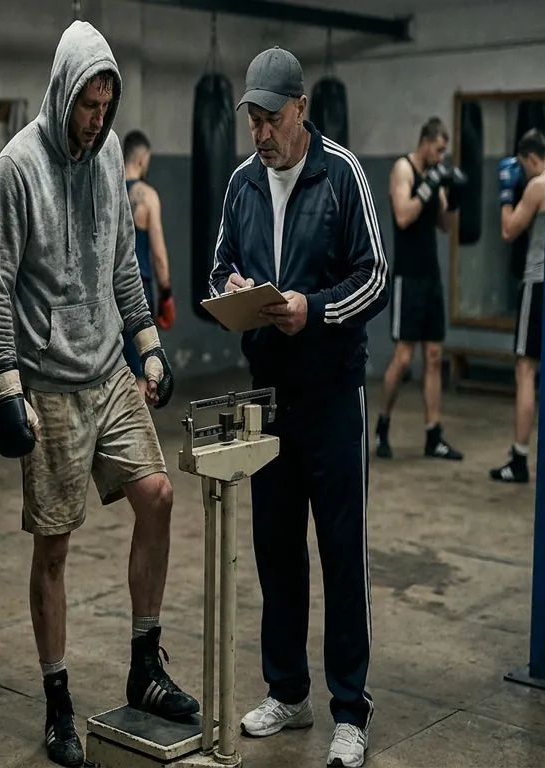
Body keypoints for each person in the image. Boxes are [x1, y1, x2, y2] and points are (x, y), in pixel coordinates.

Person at [0, 20, 198, 768]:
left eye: (107, 106)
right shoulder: (17, 167)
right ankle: (58, 702)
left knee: (159, 496)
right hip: (51, 387)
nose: (98, 119)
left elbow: (124, 264)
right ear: (63, 91)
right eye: (87, 105)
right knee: (55, 545)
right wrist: (8, 389)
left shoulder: (107, 163)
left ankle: (143, 665)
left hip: (109, 374)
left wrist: (149, 345)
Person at [208, 46, 388, 768]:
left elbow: (374, 275)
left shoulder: (341, 175)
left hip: (332, 394)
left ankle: (351, 710)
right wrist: (238, 290)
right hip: (268, 399)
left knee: (341, 554)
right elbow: (218, 266)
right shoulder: (241, 185)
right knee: (275, 550)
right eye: (252, 119)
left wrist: (315, 310)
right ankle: (288, 691)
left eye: (271, 119)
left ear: (301, 111)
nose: (260, 134)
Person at [491, 128, 545, 483]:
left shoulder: (537, 184)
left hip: (538, 285)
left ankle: (519, 459)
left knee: (525, 371)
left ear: (530, 157)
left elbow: (508, 230)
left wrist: (505, 194)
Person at [374, 117, 464, 461]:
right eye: (438, 149)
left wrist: (453, 198)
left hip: (431, 276)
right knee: (405, 356)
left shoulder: (435, 172)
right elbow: (402, 215)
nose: (441, 156)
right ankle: (383, 423)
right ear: (425, 142)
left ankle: (433, 434)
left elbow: (443, 224)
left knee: (434, 357)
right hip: (407, 277)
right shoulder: (404, 169)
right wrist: (428, 187)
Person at [120, 130, 176, 396]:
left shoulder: (108, 191)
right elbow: (158, 253)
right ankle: (136, 436)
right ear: (142, 160)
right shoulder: (148, 196)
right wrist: (166, 292)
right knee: (143, 373)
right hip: (138, 291)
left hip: (109, 292)